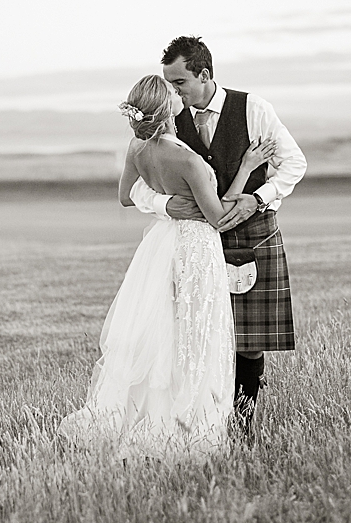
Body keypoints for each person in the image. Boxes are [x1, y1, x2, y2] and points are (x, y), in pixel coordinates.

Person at [58, 75, 275, 456]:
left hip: (161, 244)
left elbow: (125, 197)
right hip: (195, 250)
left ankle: (153, 412)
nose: (179, 95)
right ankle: (185, 423)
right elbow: (219, 216)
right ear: (169, 108)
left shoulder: (137, 148)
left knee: (164, 333)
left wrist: (162, 205)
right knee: (197, 336)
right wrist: (246, 168)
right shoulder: (187, 160)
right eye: (173, 93)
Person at [129, 36, 307, 434]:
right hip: (195, 241)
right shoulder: (170, 119)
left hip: (252, 235)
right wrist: (164, 206)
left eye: (179, 83)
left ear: (204, 75)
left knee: (248, 342)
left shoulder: (253, 109)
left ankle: (242, 425)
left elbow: (294, 163)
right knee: (198, 338)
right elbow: (139, 185)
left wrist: (259, 197)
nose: (172, 92)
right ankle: (202, 421)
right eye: (169, 83)